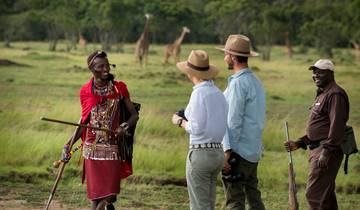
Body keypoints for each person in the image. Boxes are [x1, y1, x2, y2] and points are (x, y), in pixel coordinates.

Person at [63, 50, 139, 210]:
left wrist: (123, 126)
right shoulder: (86, 91)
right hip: (91, 150)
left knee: (111, 194)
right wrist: (68, 145)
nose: (106, 69)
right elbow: (83, 122)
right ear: (92, 69)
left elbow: (133, 115)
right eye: (100, 66)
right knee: (95, 198)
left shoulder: (119, 89)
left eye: (107, 65)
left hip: (112, 148)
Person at [284, 59, 349, 210]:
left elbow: (337, 126)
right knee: (325, 198)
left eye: (320, 72)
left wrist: (326, 152)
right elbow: (321, 128)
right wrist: (299, 143)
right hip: (318, 149)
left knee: (313, 195)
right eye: (314, 72)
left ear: (330, 74)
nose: (315, 75)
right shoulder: (322, 94)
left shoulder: (335, 94)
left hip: (326, 151)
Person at [171, 50, 228, 210]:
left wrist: (179, 121)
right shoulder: (219, 93)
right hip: (217, 153)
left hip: (200, 154)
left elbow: (196, 127)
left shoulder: (198, 94)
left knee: (199, 206)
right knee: (208, 203)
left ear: (191, 73)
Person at [217, 34, 266, 210]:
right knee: (253, 197)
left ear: (232, 56)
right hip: (253, 151)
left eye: (226, 54)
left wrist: (227, 152)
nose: (224, 58)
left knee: (234, 200)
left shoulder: (238, 84)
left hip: (238, 153)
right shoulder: (256, 82)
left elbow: (233, 121)